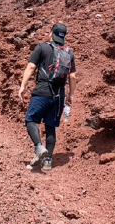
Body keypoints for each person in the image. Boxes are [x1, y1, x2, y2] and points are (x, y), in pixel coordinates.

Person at [19, 22, 76, 172]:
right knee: (50, 127)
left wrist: (23, 86)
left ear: (51, 33)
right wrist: (70, 95)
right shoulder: (69, 53)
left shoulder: (42, 48)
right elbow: (73, 76)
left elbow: (31, 67)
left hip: (42, 91)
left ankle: (38, 147)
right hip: (58, 96)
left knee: (31, 120)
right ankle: (48, 161)